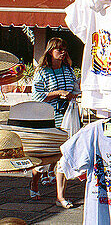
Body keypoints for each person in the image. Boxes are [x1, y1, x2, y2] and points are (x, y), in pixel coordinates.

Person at [30, 36, 79, 208]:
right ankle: (35, 182)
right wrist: (58, 92)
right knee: (44, 156)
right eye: (59, 49)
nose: (63, 52)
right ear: (50, 51)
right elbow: (37, 96)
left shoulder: (68, 69)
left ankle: (60, 196)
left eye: (64, 49)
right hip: (48, 117)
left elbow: (74, 88)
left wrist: (74, 93)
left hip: (67, 115)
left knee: (64, 155)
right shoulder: (42, 72)